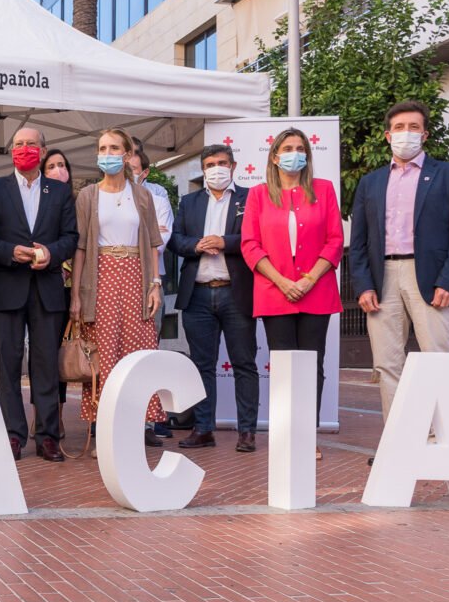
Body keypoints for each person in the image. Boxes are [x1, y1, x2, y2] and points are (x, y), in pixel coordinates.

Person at [349, 100, 449, 441]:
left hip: (432, 278)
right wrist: (363, 285)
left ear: (425, 134)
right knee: (387, 363)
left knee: (438, 358)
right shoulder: (371, 183)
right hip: (383, 279)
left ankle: (443, 437)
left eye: (414, 127)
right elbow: (358, 241)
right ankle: (400, 440)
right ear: (387, 135)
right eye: (399, 128)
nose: (406, 133)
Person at [240, 128, 344, 459]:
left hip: (317, 290)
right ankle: (286, 436)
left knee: (312, 366)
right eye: (287, 148)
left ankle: (307, 437)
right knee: (284, 368)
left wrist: (309, 279)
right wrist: (282, 282)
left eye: (300, 148)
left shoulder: (324, 190)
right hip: (275, 292)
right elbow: (250, 244)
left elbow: (335, 240)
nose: (294, 154)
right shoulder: (258, 195)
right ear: (274, 156)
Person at [0, 128, 77, 461]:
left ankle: (48, 435)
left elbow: (71, 237)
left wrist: (52, 253)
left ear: (43, 150)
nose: (25, 149)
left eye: (31, 144)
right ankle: (12, 434)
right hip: (7, 287)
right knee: (7, 365)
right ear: (11, 151)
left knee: (46, 365)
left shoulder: (59, 191)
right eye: (19, 144)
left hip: (47, 288)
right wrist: (10, 252)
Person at [70, 128, 164, 455]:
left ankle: (134, 430)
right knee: (104, 354)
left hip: (137, 277)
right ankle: (104, 434)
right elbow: (81, 248)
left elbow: (153, 243)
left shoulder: (143, 196)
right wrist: (76, 295)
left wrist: (155, 285)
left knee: (137, 353)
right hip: (101, 279)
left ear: (126, 155)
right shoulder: (88, 195)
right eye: (102, 148)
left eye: (113, 148)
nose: (106, 154)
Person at [169, 144, 259, 452]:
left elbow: (257, 238)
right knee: (202, 365)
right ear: (203, 169)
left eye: (221, 163)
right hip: (197, 295)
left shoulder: (251, 198)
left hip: (236, 292)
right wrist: (196, 245)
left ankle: (247, 432)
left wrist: (224, 242)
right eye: (209, 164)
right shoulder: (189, 202)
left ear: (233, 166)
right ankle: (203, 429)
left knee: (244, 363)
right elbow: (175, 240)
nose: (216, 169)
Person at [129, 137, 174, 441]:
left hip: (149, 282)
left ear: (144, 171)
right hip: (114, 281)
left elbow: (161, 240)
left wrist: (128, 244)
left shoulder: (157, 195)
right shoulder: (100, 194)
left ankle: (147, 422)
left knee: (147, 351)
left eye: (132, 165)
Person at [44, 149, 76, 409]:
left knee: (70, 351)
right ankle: (43, 411)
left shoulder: (80, 202)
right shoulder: (39, 203)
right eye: (51, 166)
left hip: (76, 288)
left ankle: (60, 411)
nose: (58, 170)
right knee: (47, 351)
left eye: (62, 165)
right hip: (49, 284)